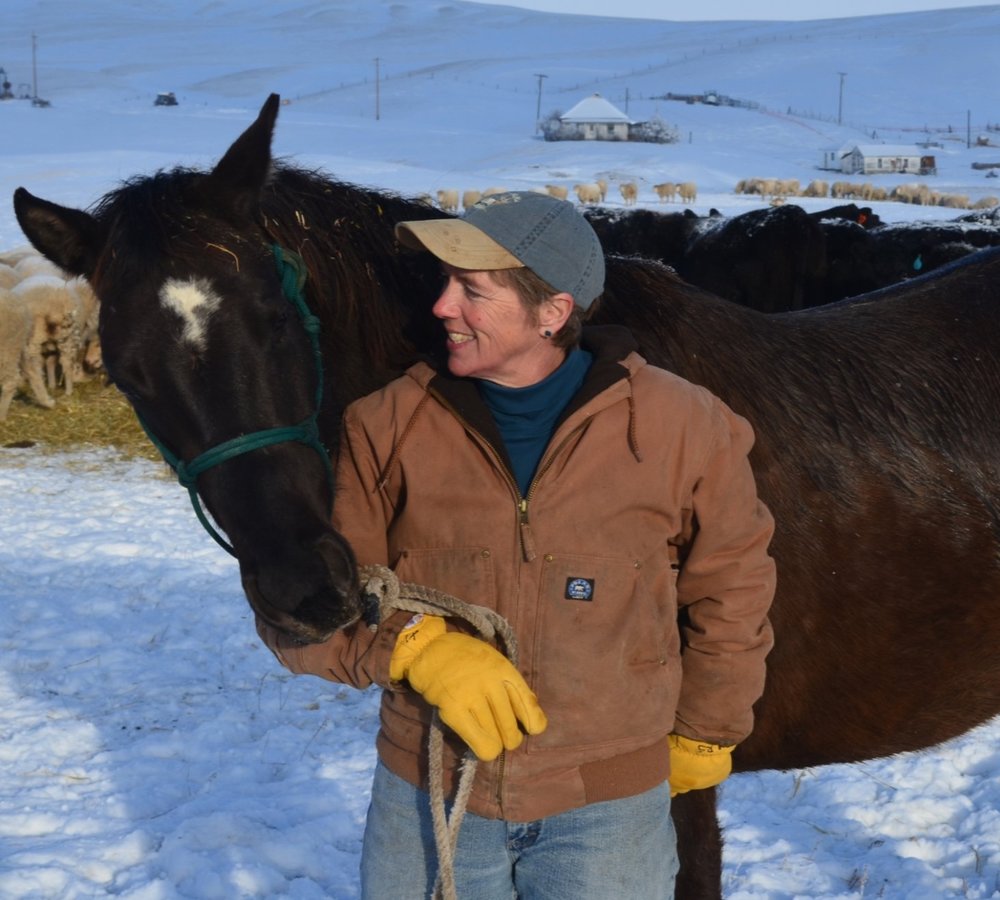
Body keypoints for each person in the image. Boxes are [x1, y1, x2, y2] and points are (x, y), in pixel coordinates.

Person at [257, 190, 775, 899]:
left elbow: (734, 588)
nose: (442, 306)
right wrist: (413, 647)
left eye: (472, 289)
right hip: (430, 795)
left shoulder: (685, 426)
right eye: (444, 285)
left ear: (553, 312)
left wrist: (707, 730)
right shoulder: (384, 426)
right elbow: (295, 610)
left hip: (609, 814)